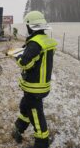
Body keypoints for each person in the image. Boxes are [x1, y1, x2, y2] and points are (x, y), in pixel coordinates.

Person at [12, 11, 57, 148]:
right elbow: (37, 59)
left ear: (30, 27)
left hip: (34, 87)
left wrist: (17, 56)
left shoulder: (34, 44)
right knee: (25, 106)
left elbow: (25, 63)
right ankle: (19, 128)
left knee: (36, 115)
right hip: (42, 84)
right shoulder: (45, 40)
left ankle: (42, 142)